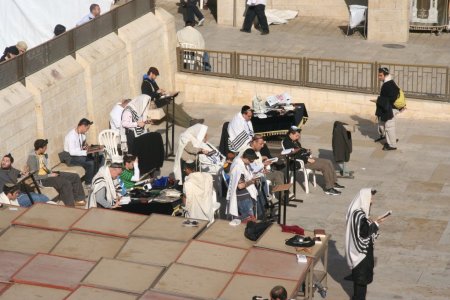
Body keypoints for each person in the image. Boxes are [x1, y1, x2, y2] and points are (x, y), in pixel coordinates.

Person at [345, 189, 386, 300]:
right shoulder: (359, 215)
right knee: (361, 280)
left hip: (358, 253)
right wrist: (376, 223)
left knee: (359, 279)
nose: (372, 201)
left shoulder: (357, 212)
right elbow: (364, 233)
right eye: (370, 199)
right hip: (361, 254)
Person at [282, 126, 344, 196]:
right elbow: (291, 155)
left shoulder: (294, 140)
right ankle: (328, 188)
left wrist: (306, 150)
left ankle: (333, 182)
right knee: (325, 165)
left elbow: (300, 149)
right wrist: (307, 159)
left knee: (328, 161)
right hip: (301, 162)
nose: (298, 137)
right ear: (291, 134)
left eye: (298, 135)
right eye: (297, 135)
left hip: (306, 158)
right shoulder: (287, 142)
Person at [27, 139, 86, 206]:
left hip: (49, 173)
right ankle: (70, 206)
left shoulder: (41, 154)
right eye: (45, 147)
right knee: (65, 183)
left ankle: (79, 199)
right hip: (43, 179)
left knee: (74, 176)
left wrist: (51, 173)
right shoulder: (32, 159)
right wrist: (50, 175)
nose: (46, 148)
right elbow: (35, 177)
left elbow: (44, 168)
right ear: (40, 148)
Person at [226, 148, 259, 221]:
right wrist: (251, 181)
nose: (251, 163)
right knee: (249, 220)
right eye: (251, 161)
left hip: (244, 196)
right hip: (243, 198)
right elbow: (240, 186)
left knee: (249, 220)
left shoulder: (240, 163)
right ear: (246, 158)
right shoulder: (239, 167)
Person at [64, 118, 98, 185]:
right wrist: (85, 152)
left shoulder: (81, 134)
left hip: (78, 154)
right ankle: (88, 183)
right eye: (87, 128)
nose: (87, 130)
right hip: (70, 157)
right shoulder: (71, 136)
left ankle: (95, 178)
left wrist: (87, 148)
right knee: (90, 163)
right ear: (82, 126)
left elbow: (82, 145)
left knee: (99, 157)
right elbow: (72, 152)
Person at [375, 67, 399, 151]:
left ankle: (392, 145)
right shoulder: (390, 82)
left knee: (389, 127)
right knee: (386, 126)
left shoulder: (387, 85)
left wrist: (379, 100)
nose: (379, 77)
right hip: (389, 108)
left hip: (389, 109)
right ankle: (390, 140)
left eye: (380, 75)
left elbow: (392, 97)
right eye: (378, 75)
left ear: (385, 75)